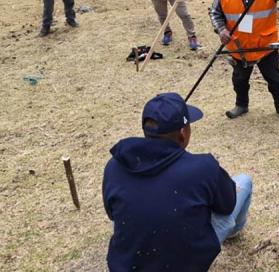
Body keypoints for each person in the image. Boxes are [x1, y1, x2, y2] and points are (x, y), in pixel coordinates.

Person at [103, 93, 253, 272]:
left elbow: (112, 214)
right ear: (183, 133)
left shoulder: (115, 165)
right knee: (244, 181)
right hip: (186, 265)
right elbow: (227, 206)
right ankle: (235, 230)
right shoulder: (204, 167)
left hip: (126, 266)